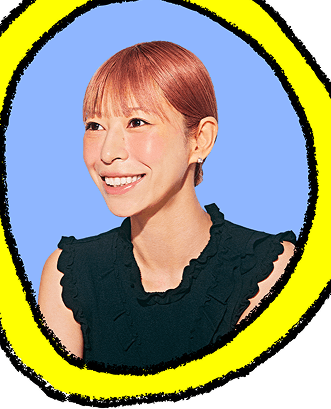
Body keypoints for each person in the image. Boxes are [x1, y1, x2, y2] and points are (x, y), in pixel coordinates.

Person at [38, 41, 295, 370]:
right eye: (95, 126)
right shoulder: (68, 275)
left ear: (200, 140)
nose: (107, 153)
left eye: (137, 122)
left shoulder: (269, 269)